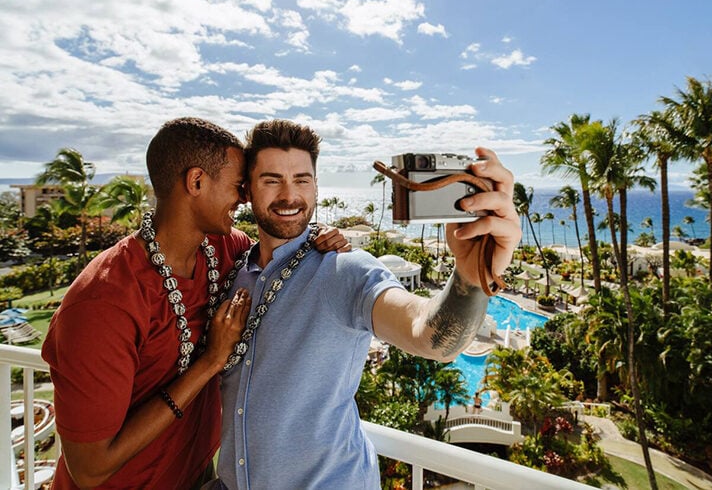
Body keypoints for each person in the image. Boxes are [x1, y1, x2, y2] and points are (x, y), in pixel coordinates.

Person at [214, 119, 522, 489]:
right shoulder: (234, 273)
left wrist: (470, 279)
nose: (289, 195)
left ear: (315, 185)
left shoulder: (344, 270)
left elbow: (430, 336)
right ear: (247, 189)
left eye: (302, 179)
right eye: (271, 180)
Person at [42, 117, 348, 489]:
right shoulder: (103, 303)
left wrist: (320, 237)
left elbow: (276, 247)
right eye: (239, 185)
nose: (246, 197)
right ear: (197, 182)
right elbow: (89, 470)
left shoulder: (223, 248)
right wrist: (210, 362)